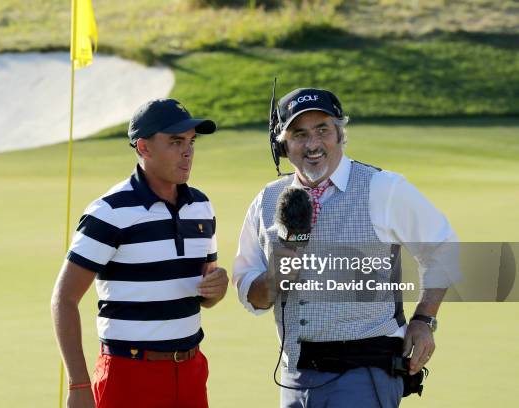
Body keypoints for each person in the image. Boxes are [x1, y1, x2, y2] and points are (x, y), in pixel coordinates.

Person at [233, 87, 460, 407]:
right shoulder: (267, 200)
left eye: (322, 130)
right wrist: (276, 276)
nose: (312, 144)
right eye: (299, 133)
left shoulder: (383, 188)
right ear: (282, 145)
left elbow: (443, 248)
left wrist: (424, 320)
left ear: (341, 134)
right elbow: (250, 294)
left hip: (366, 373)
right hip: (295, 378)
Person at [52, 98, 228, 408]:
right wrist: (79, 384)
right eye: (175, 141)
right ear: (144, 148)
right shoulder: (109, 212)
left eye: (191, 141)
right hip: (127, 374)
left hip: (190, 371)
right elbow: (64, 299)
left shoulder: (201, 206)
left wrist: (218, 288)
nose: (188, 151)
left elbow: (205, 293)